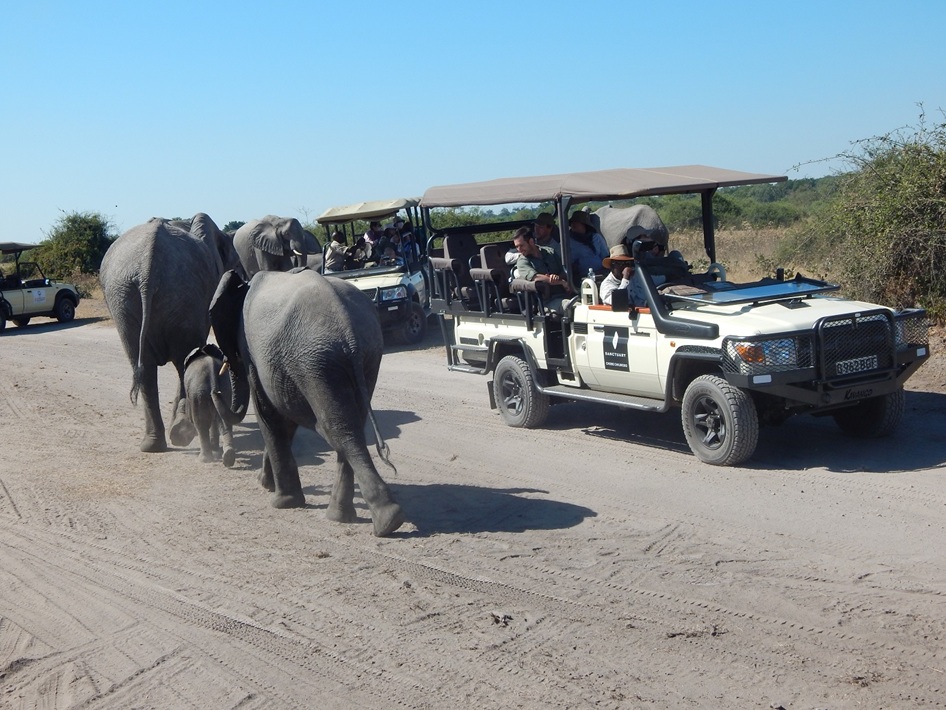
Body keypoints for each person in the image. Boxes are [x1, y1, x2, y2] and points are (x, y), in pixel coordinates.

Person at [512, 226, 573, 312]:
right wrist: (560, 282)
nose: (519, 250)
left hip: (565, 294)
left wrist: (558, 277)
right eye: (517, 247)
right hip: (546, 301)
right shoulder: (522, 261)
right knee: (575, 308)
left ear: (531, 241)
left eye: (521, 245)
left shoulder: (550, 252)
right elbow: (535, 277)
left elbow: (563, 271)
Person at [568, 210, 609, 276]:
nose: (573, 224)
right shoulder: (568, 241)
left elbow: (605, 256)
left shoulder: (596, 237)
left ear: (584, 225)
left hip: (600, 273)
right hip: (580, 276)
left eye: (577, 222)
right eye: (572, 222)